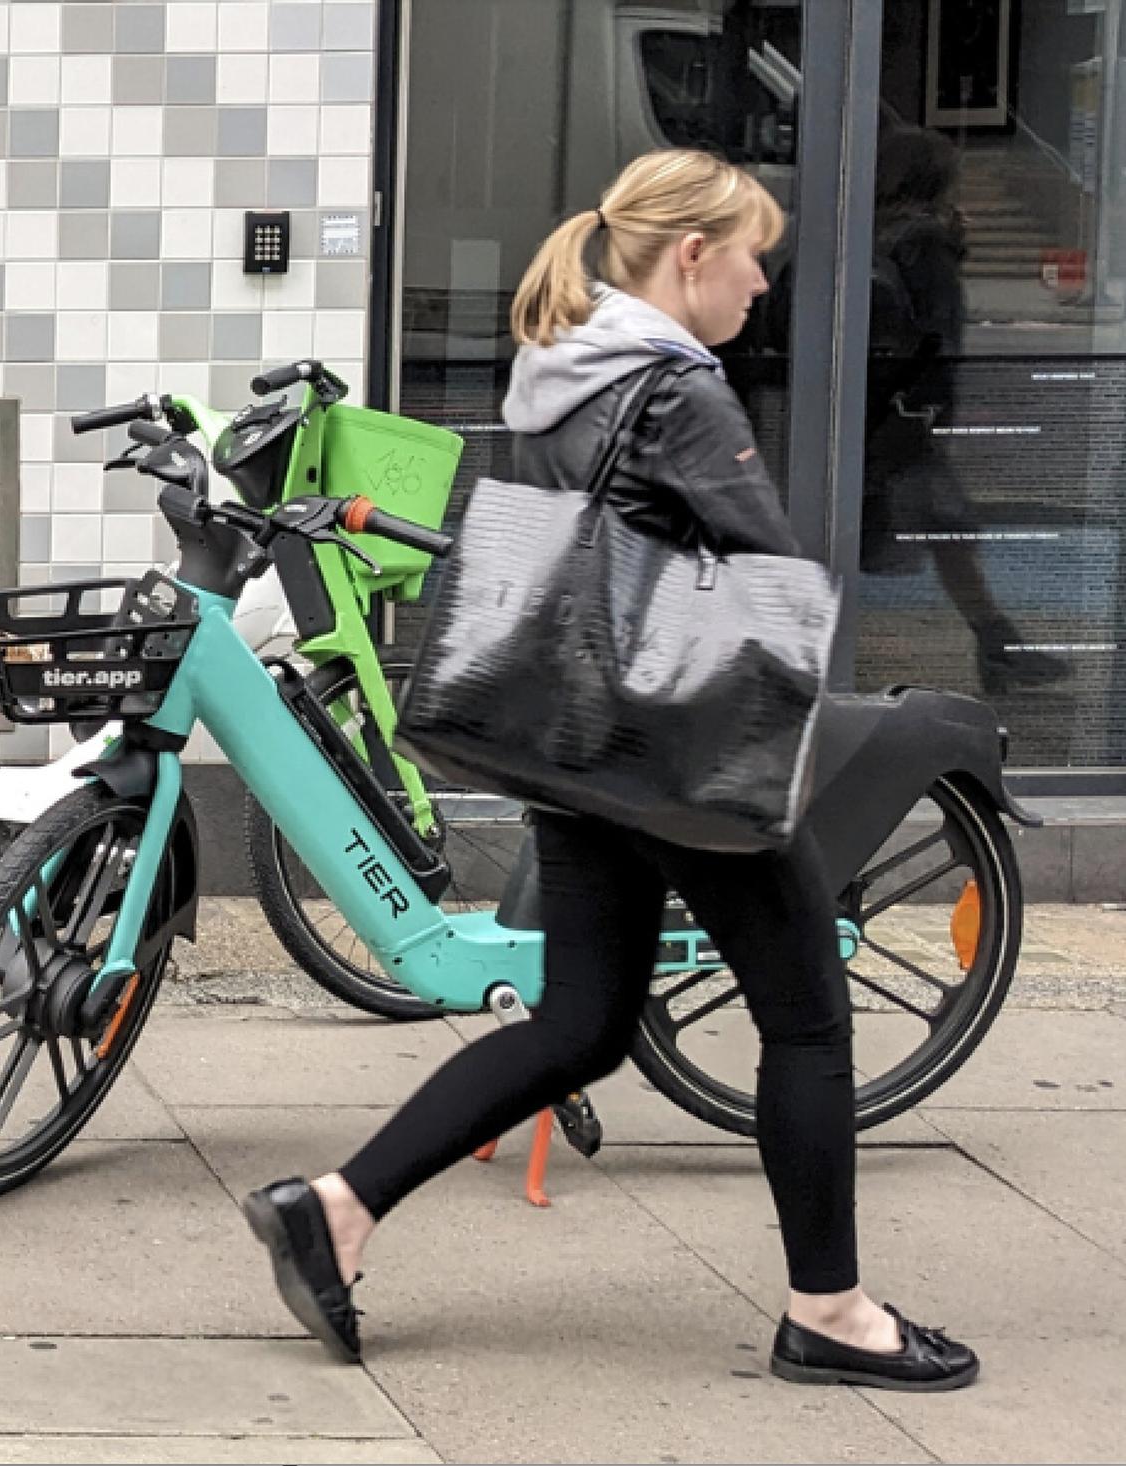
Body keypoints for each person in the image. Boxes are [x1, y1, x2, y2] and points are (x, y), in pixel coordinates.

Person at [239, 148, 981, 1393]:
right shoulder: (677, 392)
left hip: (576, 747)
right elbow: (765, 568)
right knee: (805, 1017)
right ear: (690, 255)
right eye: (751, 255)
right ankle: (833, 1310)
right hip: (680, 754)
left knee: (583, 1020)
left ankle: (337, 1205)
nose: (760, 283)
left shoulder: (555, 375)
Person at [860, 125, 1065, 696]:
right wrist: (930, 410)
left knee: (942, 528)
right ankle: (999, 647)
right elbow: (936, 330)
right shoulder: (925, 239)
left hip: (884, 405)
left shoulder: (877, 229)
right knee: (940, 528)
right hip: (906, 412)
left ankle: (999, 645)